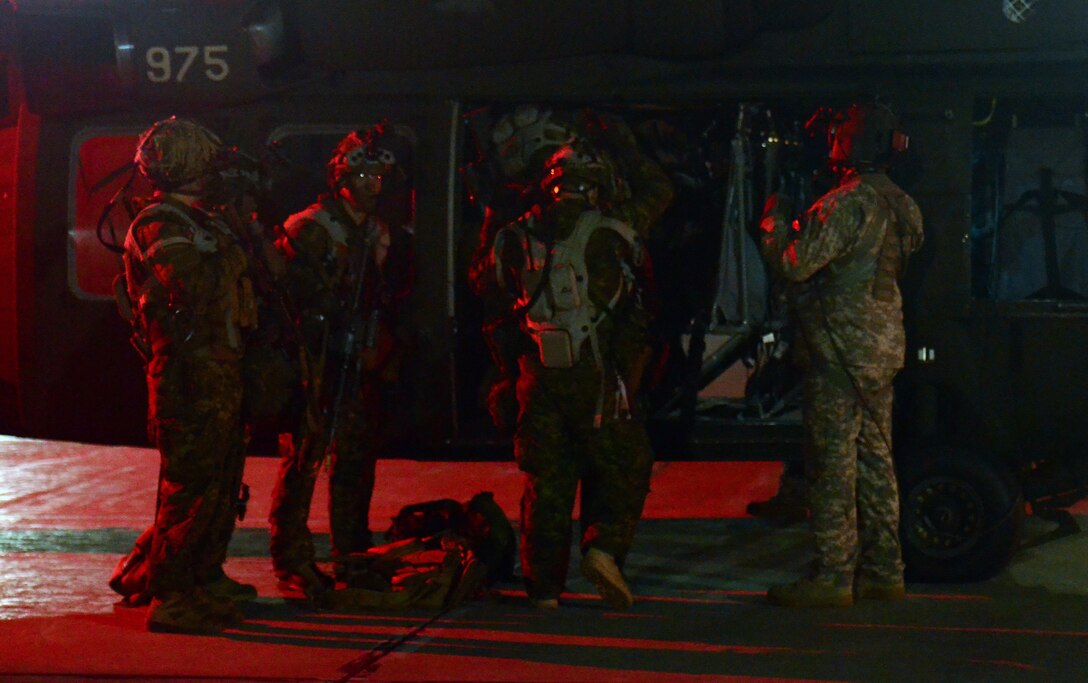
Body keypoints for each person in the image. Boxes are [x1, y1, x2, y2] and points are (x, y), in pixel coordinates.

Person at [472, 112, 673, 609]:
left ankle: (544, 588)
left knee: (548, 483)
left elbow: (486, 288)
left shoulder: (516, 236)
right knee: (624, 464)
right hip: (599, 374)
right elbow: (659, 189)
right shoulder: (615, 230)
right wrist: (618, 134)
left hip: (537, 378)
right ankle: (604, 546)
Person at [758, 102, 924, 607]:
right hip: (881, 348)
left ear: (854, 142)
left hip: (838, 351)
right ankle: (884, 571)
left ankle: (832, 577)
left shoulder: (847, 202)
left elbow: (796, 264)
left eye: (837, 136)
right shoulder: (904, 205)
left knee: (831, 464)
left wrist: (774, 223)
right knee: (877, 462)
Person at [115, 117, 259, 633]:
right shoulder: (160, 223)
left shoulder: (206, 221)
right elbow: (189, 287)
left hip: (220, 370)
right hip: (187, 375)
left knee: (222, 482)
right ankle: (171, 596)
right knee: (189, 486)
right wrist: (234, 247)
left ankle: (204, 574)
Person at [268, 124, 415, 597]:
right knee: (305, 461)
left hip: (353, 362)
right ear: (342, 178)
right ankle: (291, 559)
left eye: (380, 178)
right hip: (314, 365)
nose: (375, 186)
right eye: (366, 176)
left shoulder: (373, 231)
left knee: (354, 459)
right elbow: (285, 302)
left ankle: (351, 553)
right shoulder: (313, 228)